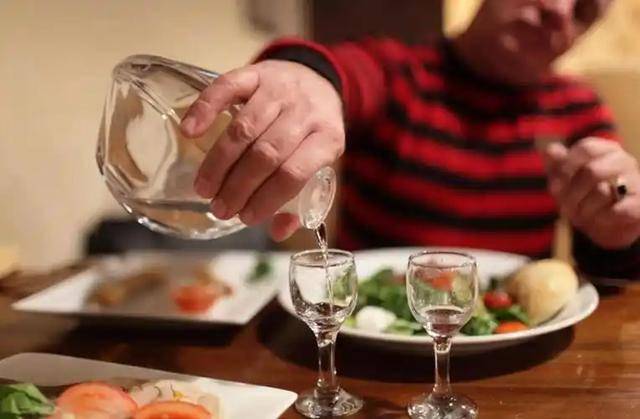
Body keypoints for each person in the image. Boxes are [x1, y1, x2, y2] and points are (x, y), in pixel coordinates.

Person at [180, 0, 640, 279]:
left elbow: (610, 254)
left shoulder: (580, 108)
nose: (560, 10)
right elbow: (342, 71)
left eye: (584, 10)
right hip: (368, 339)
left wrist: (622, 226)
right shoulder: (400, 72)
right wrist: (309, 76)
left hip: (511, 346)